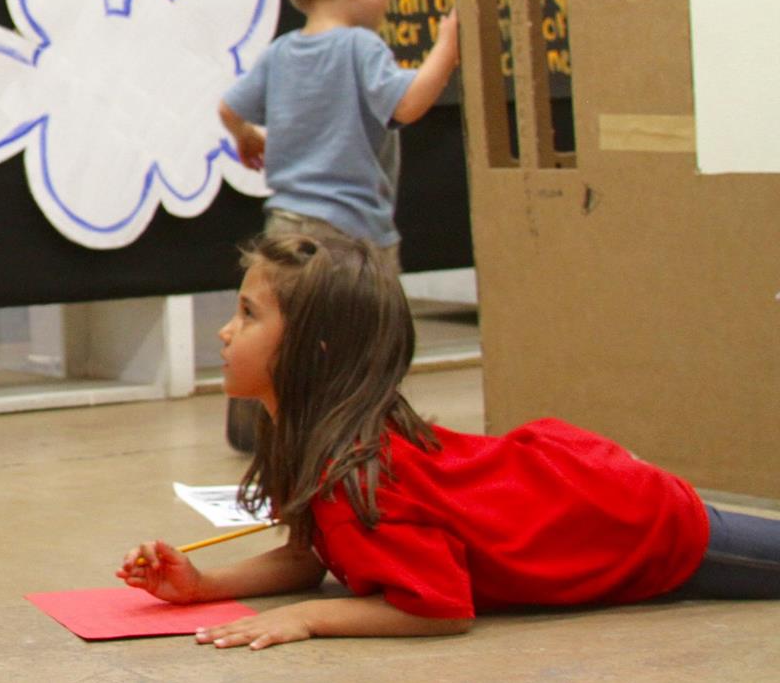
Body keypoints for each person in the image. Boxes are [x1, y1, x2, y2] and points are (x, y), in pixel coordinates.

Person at [117, 227, 780, 648]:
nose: (226, 331)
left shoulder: (357, 478)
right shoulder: (313, 442)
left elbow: (438, 605)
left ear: (315, 349)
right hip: (576, 488)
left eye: (248, 314)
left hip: (636, 522)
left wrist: (310, 618)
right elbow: (308, 554)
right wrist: (203, 584)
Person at [216, 0, 458, 450]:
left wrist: (247, 138)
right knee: (371, 337)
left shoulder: (282, 52)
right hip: (352, 233)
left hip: (286, 225)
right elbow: (410, 102)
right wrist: (449, 45)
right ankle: (366, 431)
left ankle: (259, 427)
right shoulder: (359, 48)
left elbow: (229, 108)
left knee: (280, 332)